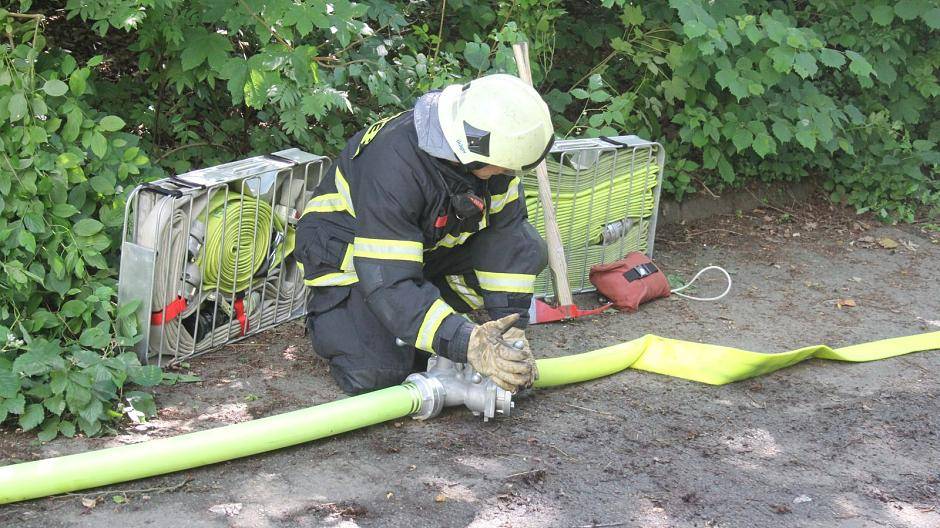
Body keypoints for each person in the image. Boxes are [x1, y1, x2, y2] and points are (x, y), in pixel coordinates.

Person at [296, 73, 553, 395]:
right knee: (378, 374)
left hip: (417, 254)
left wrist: (511, 334)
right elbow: (388, 278)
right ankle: (341, 316)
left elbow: (509, 241)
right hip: (348, 260)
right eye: (503, 166)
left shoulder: (490, 152)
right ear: (471, 148)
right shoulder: (395, 163)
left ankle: (418, 321)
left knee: (528, 248)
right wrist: (467, 342)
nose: (507, 173)